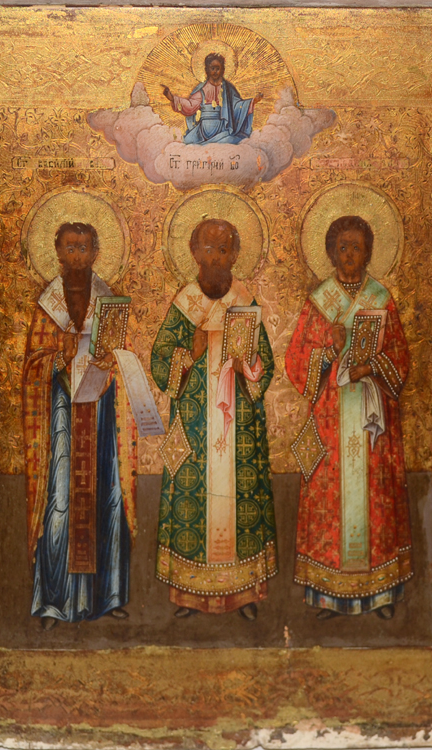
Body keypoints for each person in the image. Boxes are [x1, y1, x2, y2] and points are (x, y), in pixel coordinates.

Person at [285, 216, 412, 620]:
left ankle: (381, 594)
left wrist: (370, 366)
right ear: (330, 252)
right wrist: (328, 347)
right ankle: (329, 597)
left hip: (372, 418)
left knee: (375, 496)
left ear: (369, 251)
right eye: (343, 247)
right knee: (331, 498)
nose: (350, 254)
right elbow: (295, 361)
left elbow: (400, 357)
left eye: (357, 247)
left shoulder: (381, 298)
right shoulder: (319, 302)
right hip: (331, 419)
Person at [151, 219, 277, 620]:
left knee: (242, 499)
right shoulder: (185, 303)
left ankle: (245, 594)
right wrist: (190, 352)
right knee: (192, 501)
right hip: (195, 426)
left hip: (239, 425)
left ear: (235, 255)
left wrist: (248, 366)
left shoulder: (244, 300)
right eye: (208, 249)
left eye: (223, 250)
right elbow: (160, 361)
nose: (215, 257)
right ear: (194, 253)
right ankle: (190, 595)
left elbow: (265, 362)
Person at [22, 222, 137, 629]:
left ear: (95, 252)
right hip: (61, 410)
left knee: (107, 494)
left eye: (84, 247)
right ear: (57, 252)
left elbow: (125, 353)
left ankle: (108, 596)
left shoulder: (109, 299)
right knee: (60, 497)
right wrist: (59, 356)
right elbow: (32, 364)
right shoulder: (48, 305)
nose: (77, 255)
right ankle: (55, 601)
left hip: (101, 410)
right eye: (70, 248)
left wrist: (112, 361)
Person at [162, 53, 263, 145]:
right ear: (207, 70)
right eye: (212, 68)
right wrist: (172, 98)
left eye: (218, 68)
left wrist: (252, 102)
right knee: (188, 141)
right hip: (202, 132)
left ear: (223, 70)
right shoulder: (202, 89)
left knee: (232, 141)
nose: (215, 71)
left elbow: (237, 106)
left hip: (223, 131)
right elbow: (190, 105)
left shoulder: (228, 90)